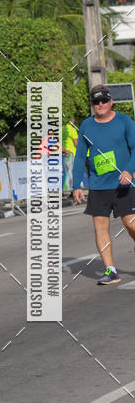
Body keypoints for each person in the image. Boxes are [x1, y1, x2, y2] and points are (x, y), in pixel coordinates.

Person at [73, 85, 135, 285]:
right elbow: (80, 156)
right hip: (98, 186)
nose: (100, 104)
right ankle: (111, 271)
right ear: (92, 104)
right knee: (100, 227)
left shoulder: (124, 121)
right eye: (96, 101)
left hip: (124, 184)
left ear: (111, 101)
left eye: (104, 100)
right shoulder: (86, 126)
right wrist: (76, 184)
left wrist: (129, 170)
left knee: (131, 224)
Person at [61, 119, 79, 193]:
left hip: (64, 154)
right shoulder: (72, 129)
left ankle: (67, 189)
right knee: (72, 172)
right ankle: (72, 190)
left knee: (67, 172)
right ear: (72, 120)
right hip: (72, 154)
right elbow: (76, 143)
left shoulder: (62, 129)